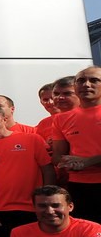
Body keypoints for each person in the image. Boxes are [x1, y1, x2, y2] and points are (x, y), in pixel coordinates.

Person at [0, 103, 54, 237]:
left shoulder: (32, 139)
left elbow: (48, 170)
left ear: (4, 118)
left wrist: (46, 204)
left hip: (32, 209)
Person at [49, 67, 101, 221]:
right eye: (80, 81)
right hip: (80, 186)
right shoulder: (61, 119)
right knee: (90, 235)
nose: (86, 84)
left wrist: (87, 162)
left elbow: (85, 161)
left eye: (94, 80)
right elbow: (57, 156)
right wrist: (67, 162)